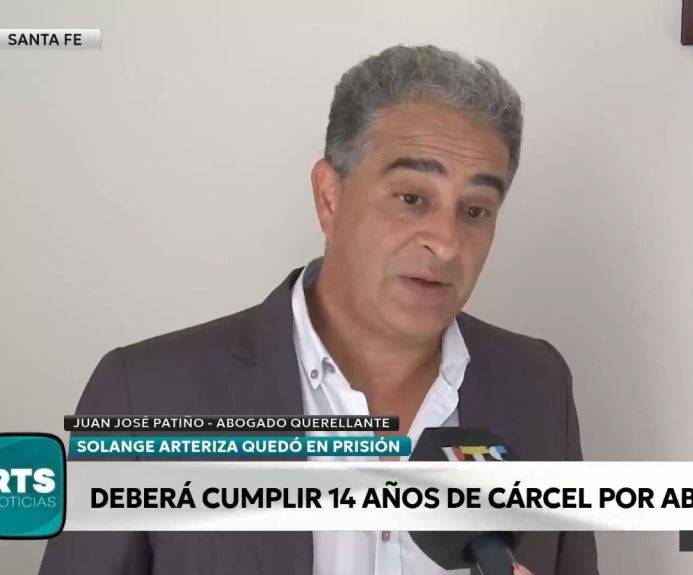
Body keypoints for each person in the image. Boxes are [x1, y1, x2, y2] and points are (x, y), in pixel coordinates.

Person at [39, 44, 598, 575]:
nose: (447, 244)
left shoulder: (539, 387)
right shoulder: (145, 395)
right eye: (411, 198)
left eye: (475, 210)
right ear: (329, 197)